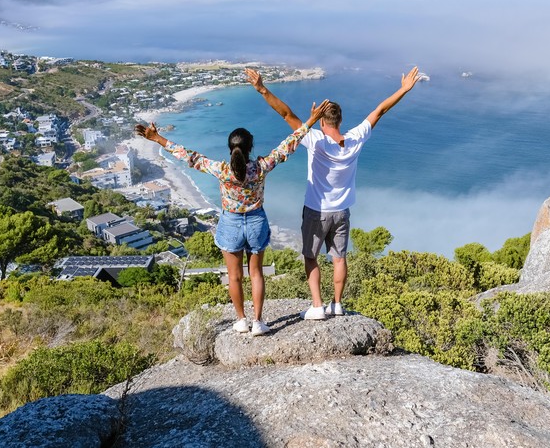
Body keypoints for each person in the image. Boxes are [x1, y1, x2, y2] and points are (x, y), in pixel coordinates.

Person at [134, 99, 330, 336]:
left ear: (231, 149)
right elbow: (288, 145)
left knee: (234, 276)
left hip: (231, 223)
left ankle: (241, 320)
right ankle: (258, 322)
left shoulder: (222, 170)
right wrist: (311, 120)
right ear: (250, 148)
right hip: (256, 221)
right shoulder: (260, 167)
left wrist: (157, 139)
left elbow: (190, 157)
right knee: (256, 273)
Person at [246, 66, 422, 320]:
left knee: (310, 257)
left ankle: (317, 306)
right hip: (342, 212)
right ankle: (337, 304)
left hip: (316, 211)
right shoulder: (355, 139)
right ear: (340, 120)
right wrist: (404, 89)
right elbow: (380, 110)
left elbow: (286, 114)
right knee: (339, 259)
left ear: (320, 120)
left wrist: (262, 89)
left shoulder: (314, 138)